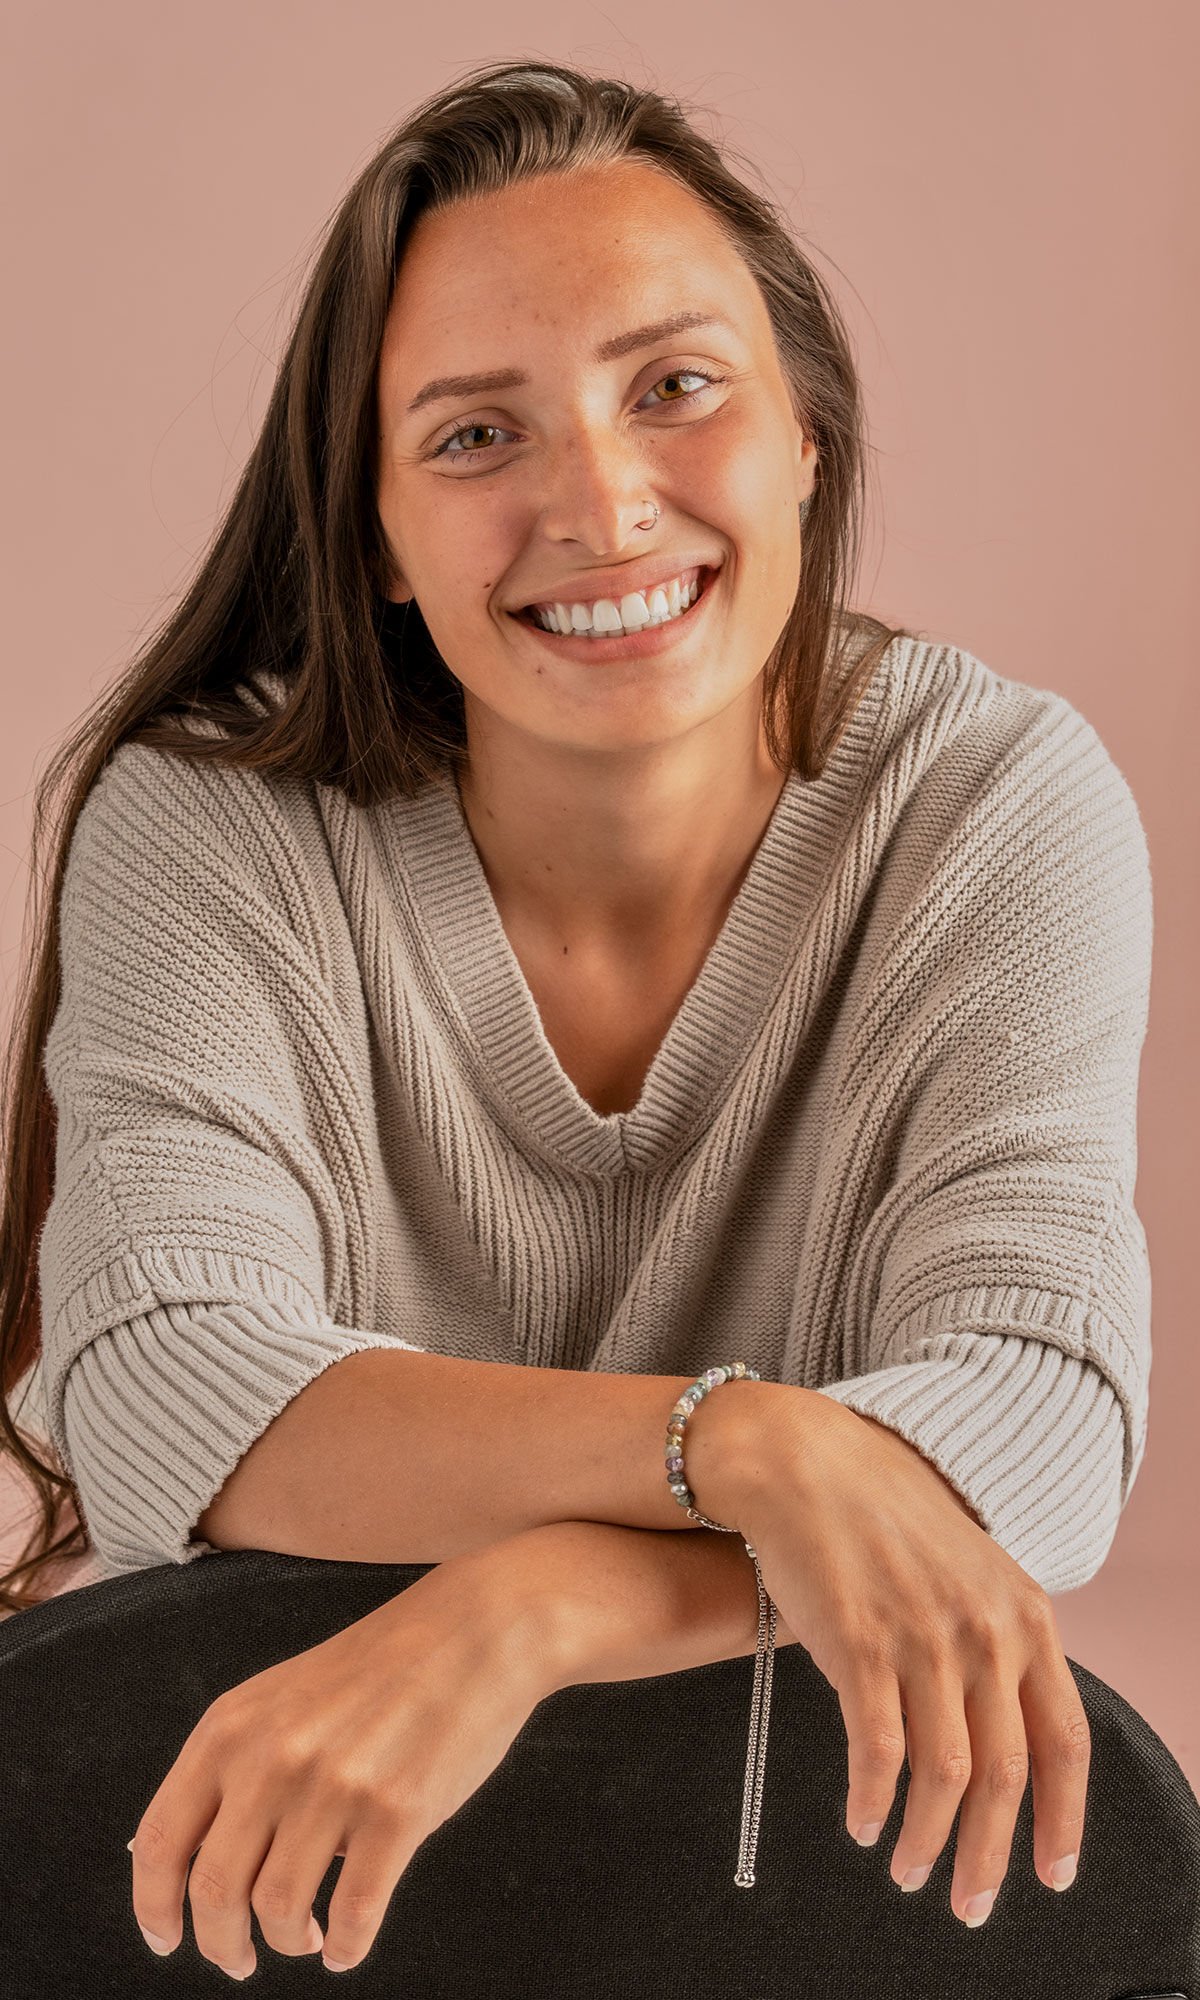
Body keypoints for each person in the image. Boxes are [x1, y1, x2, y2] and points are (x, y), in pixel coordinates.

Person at [0, 59, 1150, 1972]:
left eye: (676, 388)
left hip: (778, 1874)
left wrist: (531, 1608)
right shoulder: (210, 828)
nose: (601, 504)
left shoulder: (991, 804)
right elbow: (163, 1383)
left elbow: (1036, 1417)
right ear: (369, 534)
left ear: (806, 437)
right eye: (472, 436)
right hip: (239, 1869)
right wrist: (759, 1455)